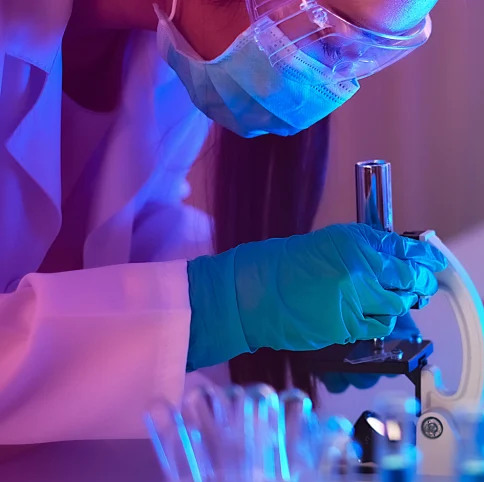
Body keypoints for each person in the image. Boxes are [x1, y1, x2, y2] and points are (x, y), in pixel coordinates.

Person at [0, 0, 443, 444]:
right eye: (328, 41)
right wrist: (222, 307)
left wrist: (277, 299)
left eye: (367, 51)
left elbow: (127, 228)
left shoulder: (175, 43)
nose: (334, 81)